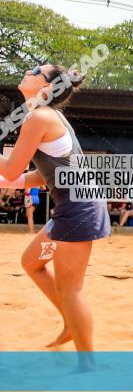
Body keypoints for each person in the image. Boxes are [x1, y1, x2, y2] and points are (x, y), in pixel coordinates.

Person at [0, 64, 110, 369]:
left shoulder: (39, 116)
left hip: (79, 210)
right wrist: (10, 180)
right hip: (71, 208)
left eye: (36, 70)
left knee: (71, 289)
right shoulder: (46, 116)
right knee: (32, 262)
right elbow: (41, 174)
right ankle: (70, 321)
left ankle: (87, 364)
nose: (28, 70)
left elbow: (10, 169)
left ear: (47, 88)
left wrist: (8, 176)